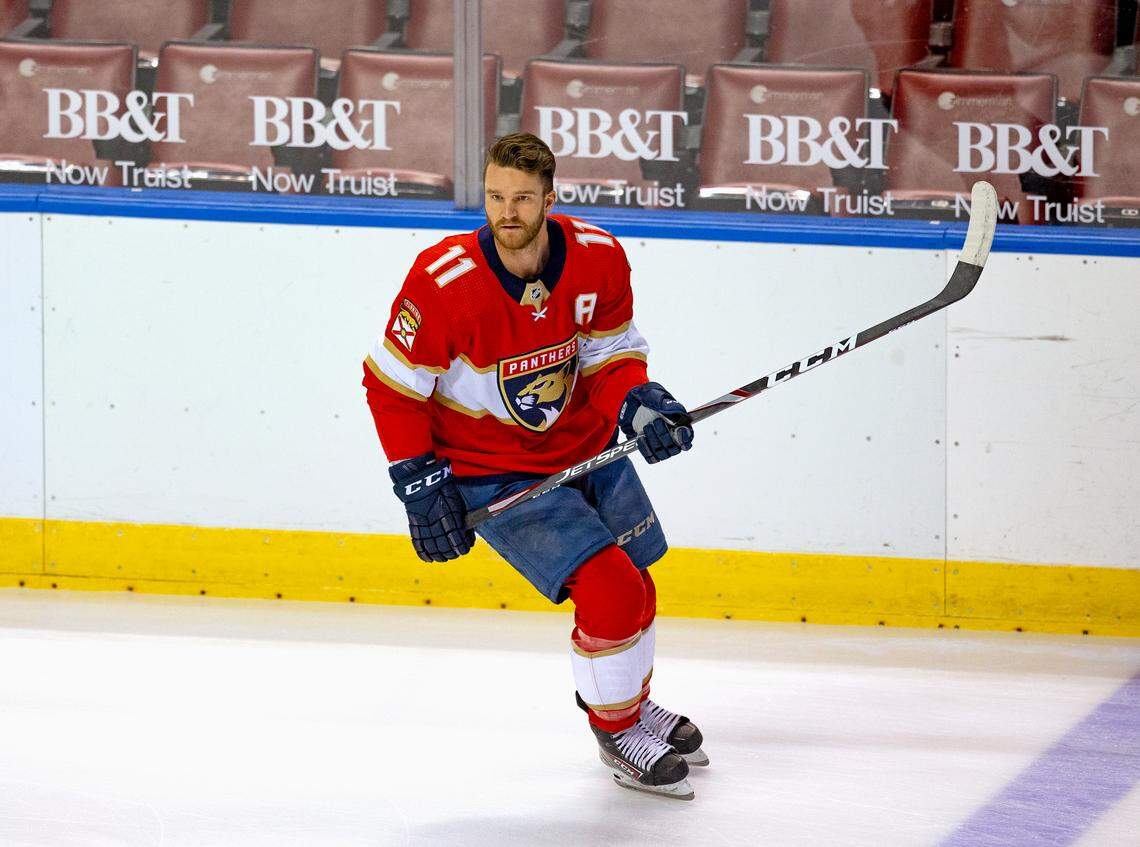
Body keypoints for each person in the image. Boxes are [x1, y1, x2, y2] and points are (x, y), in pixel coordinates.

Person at [362, 132, 706, 800]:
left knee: (636, 583)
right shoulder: (443, 282)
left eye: (522, 197)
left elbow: (610, 355)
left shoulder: (600, 257)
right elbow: (392, 387)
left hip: (584, 445)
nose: (506, 211)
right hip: (493, 470)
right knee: (609, 590)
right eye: (494, 196)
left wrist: (637, 404)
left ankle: (631, 706)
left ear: (550, 198)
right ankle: (617, 732)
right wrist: (418, 482)